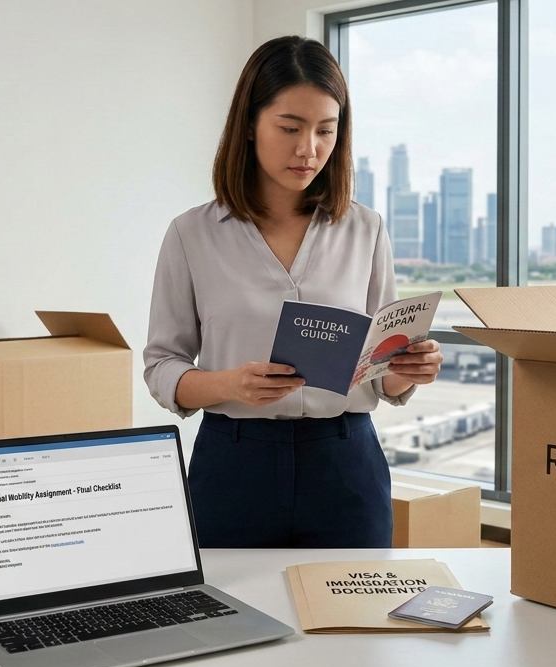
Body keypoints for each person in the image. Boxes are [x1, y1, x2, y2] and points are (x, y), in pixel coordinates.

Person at [144, 36, 443, 549]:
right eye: (290, 128)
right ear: (249, 126)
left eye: (326, 131)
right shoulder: (191, 234)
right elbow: (162, 366)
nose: (309, 149)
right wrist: (229, 385)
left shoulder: (365, 229)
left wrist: (404, 370)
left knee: (355, 626)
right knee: (231, 620)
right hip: (234, 463)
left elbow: (379, 372)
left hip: (346, 464)